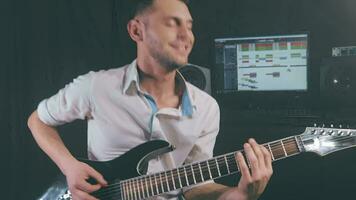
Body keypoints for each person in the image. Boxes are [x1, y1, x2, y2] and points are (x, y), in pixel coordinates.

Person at [27, 0, 273, 199]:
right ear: (136, 30)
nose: (186, 35)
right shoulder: (96, 87)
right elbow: (37, 121)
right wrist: (68, 166)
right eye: (172, 24)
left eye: (189, 26)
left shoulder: (207, 108)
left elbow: (196, 187)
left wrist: (240, 195)